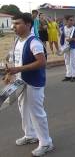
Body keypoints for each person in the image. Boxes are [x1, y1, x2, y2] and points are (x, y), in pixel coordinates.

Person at [6, 13, 53, 156]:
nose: (14, 27)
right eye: (13, 24)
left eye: (17, 23)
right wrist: (10, 73)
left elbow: (41, 62)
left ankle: (46, 143)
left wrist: (18, 69)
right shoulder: (17, 41)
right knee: (23, 109)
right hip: (21, 81)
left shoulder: (34, 42)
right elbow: (15, 60)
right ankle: (30, 135)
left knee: (36, 113)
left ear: (27, 25)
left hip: (34, 83)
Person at [60, 15, 75, 82]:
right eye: (70, 20)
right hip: (65, 47)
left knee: (72, 62)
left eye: (72, 20)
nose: (72, 21)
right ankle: (68, 75)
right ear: (66, 21)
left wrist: (72, 39)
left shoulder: (74, 29)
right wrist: (61, 46)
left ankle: (74, 76)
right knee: (67, 61)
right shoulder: (63, 28)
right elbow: (62, 37)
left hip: (72, 47)